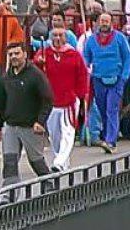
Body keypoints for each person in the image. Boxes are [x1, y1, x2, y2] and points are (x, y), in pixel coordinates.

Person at [0, 42, 54, 190]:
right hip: (11, 126)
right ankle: (9, 194)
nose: (14, 57)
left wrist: (41, 121)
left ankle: (49, 187)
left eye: (17, 53)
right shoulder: (6, 78)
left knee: (36, 161)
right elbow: (0, 103)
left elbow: (47, 100)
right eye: (11, 55)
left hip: (30, 127)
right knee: (9, 161)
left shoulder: (35, 75)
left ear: (25, 55)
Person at [34, 27, 89, 171]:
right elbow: (35, 70)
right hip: (51, 101)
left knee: (68, 133)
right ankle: (62, 160)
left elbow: (83, 75)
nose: (58, 38)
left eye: (61, 35)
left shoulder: (74, 54)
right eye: (55, 35)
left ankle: (59, 161)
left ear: (66, 37)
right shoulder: (45, 53)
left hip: (69, 100)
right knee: (54, 134)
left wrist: (81, 95)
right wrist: (39, 62)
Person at [82, 12, 130, 153]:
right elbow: (86, 56)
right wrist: (86, 67)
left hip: (116, 79)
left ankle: (111, 141)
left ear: (111, 22)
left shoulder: (120, 38)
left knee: (112, 109)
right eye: (102, 20)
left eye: (107, 21)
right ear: (98, 22)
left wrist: (124, 77)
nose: (104, 23)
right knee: (102, 109)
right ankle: (107, 137)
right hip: (98, 79)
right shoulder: (91, 40)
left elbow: (128, 58)